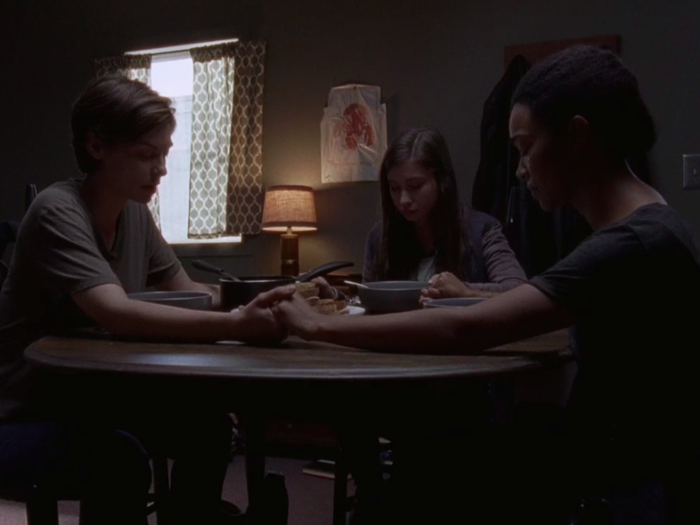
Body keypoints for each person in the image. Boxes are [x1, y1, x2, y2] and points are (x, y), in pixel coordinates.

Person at [270, 46, 700, 524]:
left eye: (524, 148)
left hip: (633, 494)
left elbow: (465, 330)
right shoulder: (647, 225)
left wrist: (314, 326)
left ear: (577, 136)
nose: (518, 170)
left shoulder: (631, 243)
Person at [0, 75, 294, 524]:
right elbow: (114, 313)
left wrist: (279, 298)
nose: (160, 169)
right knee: (119, 460)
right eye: (146, 155)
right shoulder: (57, 211)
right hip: (31, 407)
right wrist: (239, 325)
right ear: (96, 146)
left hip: (95, 396)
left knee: (208, 428)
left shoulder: (135, 214)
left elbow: (194, 293)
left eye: (164, 155)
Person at [314, 126, 526, 301]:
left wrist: (464, 291)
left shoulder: (482, 230)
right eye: (394, 188)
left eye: (415, 186)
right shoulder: (380, 237)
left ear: (441, 182)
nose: (403, 200)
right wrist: (332, 296)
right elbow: (367, 303)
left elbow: (518, 292)